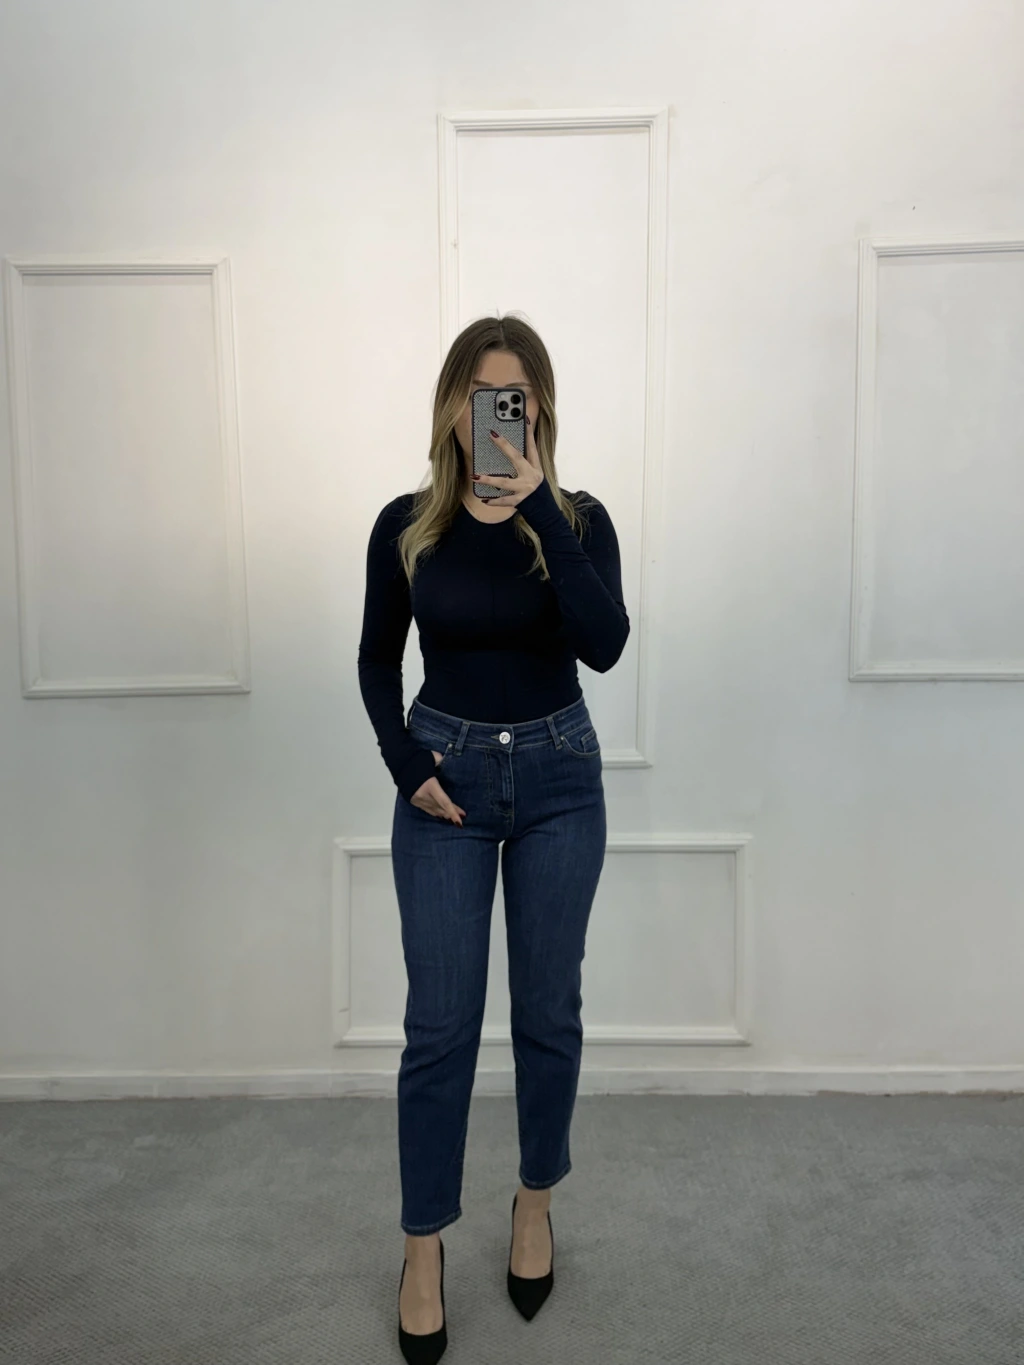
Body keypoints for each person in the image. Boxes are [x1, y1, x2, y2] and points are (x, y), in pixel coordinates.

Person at [357, 313, 630, 1362]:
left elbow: (604, 644)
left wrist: (540, 508)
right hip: (446, 785)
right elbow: (377, 660)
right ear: (454, 408)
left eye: (514, 400)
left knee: (548, 1011)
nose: (496, 421)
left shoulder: (580, 520)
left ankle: (533, 1204)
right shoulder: (407, 526)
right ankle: (422, 1247)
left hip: (559, 776)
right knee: (440, 1026)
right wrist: (407, 766)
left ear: (540, 408)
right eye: (482, 401)